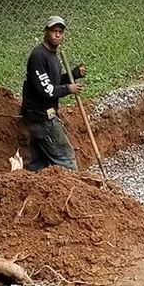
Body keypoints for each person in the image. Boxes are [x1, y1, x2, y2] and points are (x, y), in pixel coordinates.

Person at [20, 15, 86, 172]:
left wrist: (73, 74)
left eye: (60, 32)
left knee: (39, 163)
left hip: (39, 117)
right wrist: (68, 89)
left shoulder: (52, 56)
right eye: (54, 31)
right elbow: (46, 90)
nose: (57, 35)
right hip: (42, 118)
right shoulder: (38, 56)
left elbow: (53, 83)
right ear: (45, 32)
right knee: (65, 158)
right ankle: (76, 190)